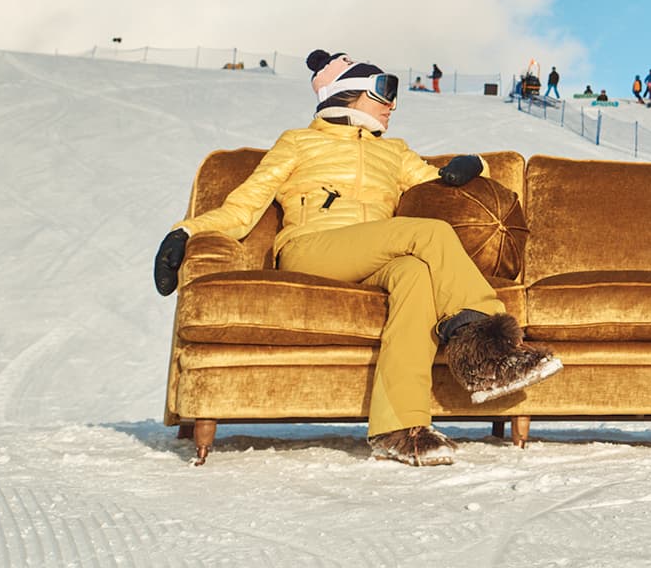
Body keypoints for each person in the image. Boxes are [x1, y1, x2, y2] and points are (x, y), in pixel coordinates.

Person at [149, 49, 562, 466]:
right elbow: (244, 207)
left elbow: (444, 189)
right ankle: (489, 354)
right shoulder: (298, 142)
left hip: (372, 257)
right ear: (349, 93)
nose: (392, 105)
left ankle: (400, 427)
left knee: (414, 273)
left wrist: (475, 167)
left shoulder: (394, 152)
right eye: (384, 91)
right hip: (312, 249)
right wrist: (186, 232)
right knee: (430, 235)